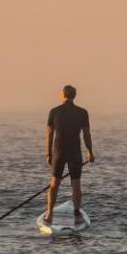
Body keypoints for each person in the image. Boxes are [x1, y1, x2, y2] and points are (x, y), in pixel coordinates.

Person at [43, 84, 94, 225]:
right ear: (75, 96)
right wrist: (90, 152)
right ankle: (77, 215)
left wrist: (48, 154)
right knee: (76, 184)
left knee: (54, 183)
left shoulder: (54, 111)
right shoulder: (82, 112)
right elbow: (86, 134)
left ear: (62, 95)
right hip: (75, 153)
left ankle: (50, 214)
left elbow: (49, 134)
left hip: (58, 152)